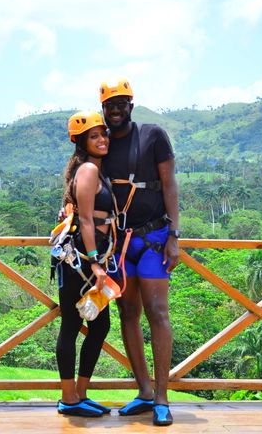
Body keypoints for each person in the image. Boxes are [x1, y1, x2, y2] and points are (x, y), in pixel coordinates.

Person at [99, 78, 180, 426]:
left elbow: (169, 183)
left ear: (131, 105)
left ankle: (162, 397)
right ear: (103, 109)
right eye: (109, 105)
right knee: (128, 313)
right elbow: (83, 177)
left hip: (153, 239)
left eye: (121, 104)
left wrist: (175, 234)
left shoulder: (153, 135)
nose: (115, 110)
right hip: (118, 243)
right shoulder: (99, 142)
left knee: (157, 312)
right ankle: (144, 391)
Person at [52, 111, 117, 418]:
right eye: (94, 136)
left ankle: (80, 393)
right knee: (72, 324)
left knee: (99, 324)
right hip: (81, 258)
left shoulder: (93, 169)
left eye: (103, 134)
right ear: (81, 142)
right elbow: (87, 218)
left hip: (91, 255)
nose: (102, 139)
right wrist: (95, 263)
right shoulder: (89, 169)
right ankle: (69, 398)